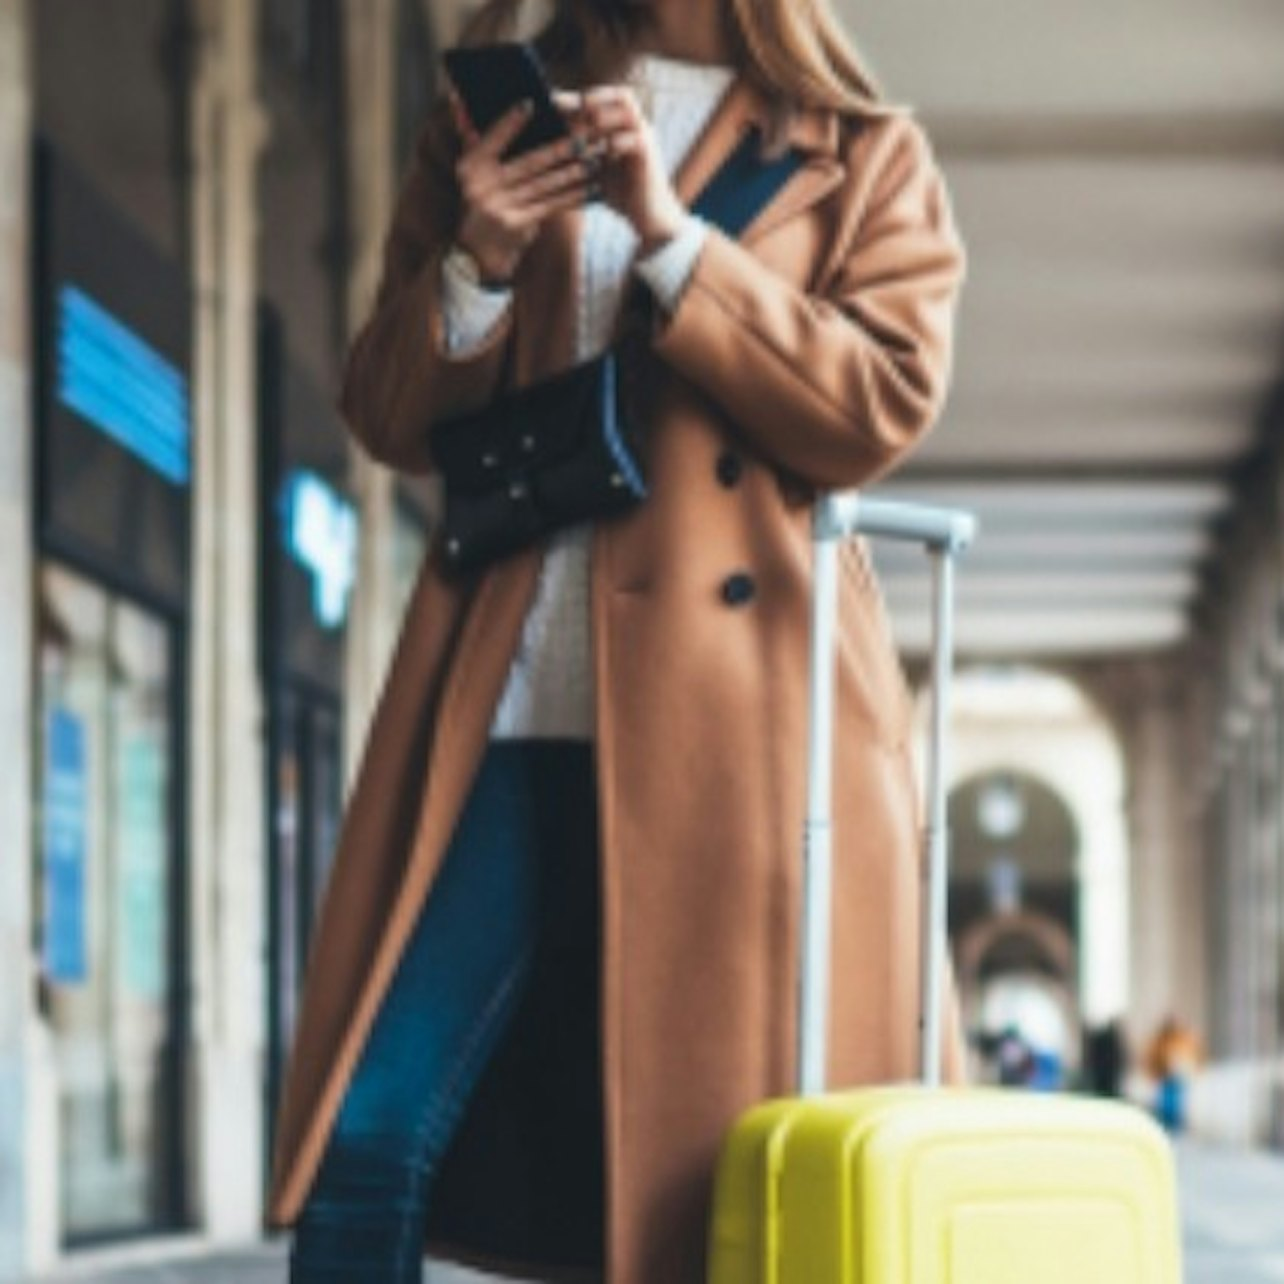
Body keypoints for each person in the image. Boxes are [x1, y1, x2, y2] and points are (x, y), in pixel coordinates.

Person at [265, 1, 967, 1281]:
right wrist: (475, 258)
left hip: (744, 733)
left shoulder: (856, 151)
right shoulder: (488, 117)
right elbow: (384, 408)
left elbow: (879, 404)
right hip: (509, 701)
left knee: (690, 1190)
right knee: (367, 1141)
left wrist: (670, 238)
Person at [1144, 1015, 1204, 1134]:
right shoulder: (1161, 1041)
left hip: (1176, 1076)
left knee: (1175, 1102)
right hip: (1165, 1077)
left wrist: (1194, 1068)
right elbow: (1153, 1058)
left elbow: (1193, 1054)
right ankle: (1170, 1123)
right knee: (1168, 1102)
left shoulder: (1179, 1039)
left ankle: (1174, 1124)